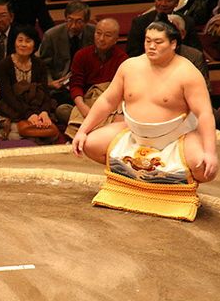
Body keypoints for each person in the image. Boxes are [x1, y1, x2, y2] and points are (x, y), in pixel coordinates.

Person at [72, 21, 217, 185]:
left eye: (158, 42)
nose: (151, 46)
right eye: (148, 41)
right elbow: (107, 101)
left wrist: (210, 152)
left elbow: (204, 113)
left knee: (204, 168)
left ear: (173, 44)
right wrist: (83, 130)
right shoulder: (129, 66)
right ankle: (135, 178)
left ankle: (166, 181)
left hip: (176, 137)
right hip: (135, 133)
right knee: (90, 144)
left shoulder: (188, 73)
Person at [65, 18, 128, 139]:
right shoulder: (81, 55)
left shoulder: (123, 59)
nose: (101, 38)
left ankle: (94, 132)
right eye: (98, 33)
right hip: (86, 100)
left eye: (107, 35)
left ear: (116, 39)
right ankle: (97, 130)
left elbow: (123, 91)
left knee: (122, 119)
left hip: (110, 104)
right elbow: (75, 85)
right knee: (63, 111)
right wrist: (84, 108)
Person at [0, 25, 58, 143]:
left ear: (34, 45)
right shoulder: (3, 65)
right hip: (12, 109)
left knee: (51, 134)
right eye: (20, 40)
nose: (23, 44)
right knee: (16, 137)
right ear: (14, 42)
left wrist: (44, 112)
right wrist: (29, 114)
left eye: (28, 41)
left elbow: (45, 92)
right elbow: (8, 96)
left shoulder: (40, 64)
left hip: (36, 108)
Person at [126, 0, 201, 57]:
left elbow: (196, 50)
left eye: (168, 0)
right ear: (155, 0)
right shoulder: (140, 22)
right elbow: (132, 53)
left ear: (176, 3)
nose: (163, 4)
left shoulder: (187, 22)